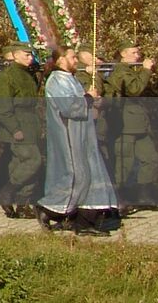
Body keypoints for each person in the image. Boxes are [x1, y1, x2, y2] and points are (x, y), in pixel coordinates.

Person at [38, 45, 118, 236]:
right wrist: (87, 99)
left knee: (89, 175)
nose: (76, 61)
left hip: (83, 135)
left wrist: (91, 100)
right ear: (60, 60)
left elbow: (80, 102)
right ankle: (49, 210)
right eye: (73, 57)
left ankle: (84, 221)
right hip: (68, 136)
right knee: (75, 176)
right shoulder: (56, 80)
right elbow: (68, 107)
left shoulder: (70, 79)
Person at [107, 41, 158, 212]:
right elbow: (134, 89)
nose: (137, 56)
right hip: (126, 124)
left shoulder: (131, 70)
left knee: (150, 158)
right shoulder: (121, 70)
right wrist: (145, 70)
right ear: (123, 54)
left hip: (139, 124)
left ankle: (143, 194)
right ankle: (121, 198)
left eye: (138, 53)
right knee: (125, 162)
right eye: (133, 52)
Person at [0, 42, 42, 219]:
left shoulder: (27, 75)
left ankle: (22, 203)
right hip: (18, 125)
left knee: (19, 165)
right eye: (26, 55)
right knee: (33, 161)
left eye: (31, 55)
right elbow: (2, 107)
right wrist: (14, 129)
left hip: (30, 124)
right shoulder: (7, 77)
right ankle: (7, 192)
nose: (30, 58)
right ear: (15, 55)